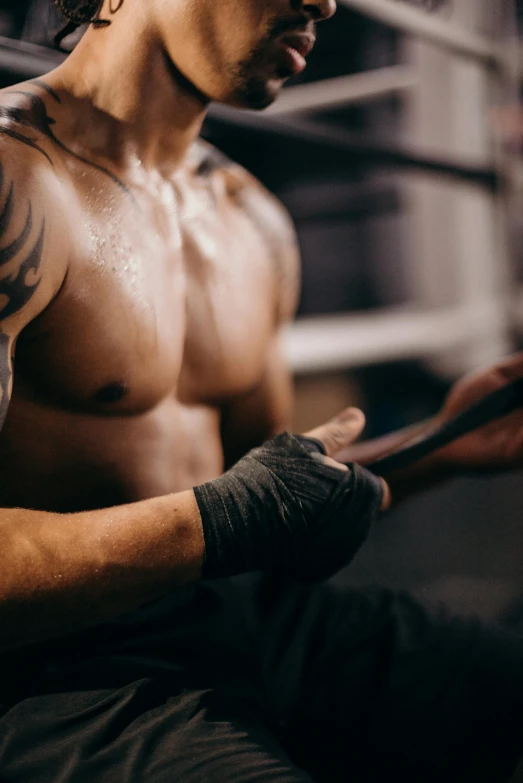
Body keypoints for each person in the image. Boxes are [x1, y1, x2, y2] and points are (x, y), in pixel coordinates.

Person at [0, 0, 522, 779]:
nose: (323, 3)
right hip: (63, 672)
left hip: (244, 614)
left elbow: (260, 499)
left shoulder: (251, 219)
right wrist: (228, 519)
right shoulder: (15, 180)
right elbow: (238, 513)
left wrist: (436, 446)